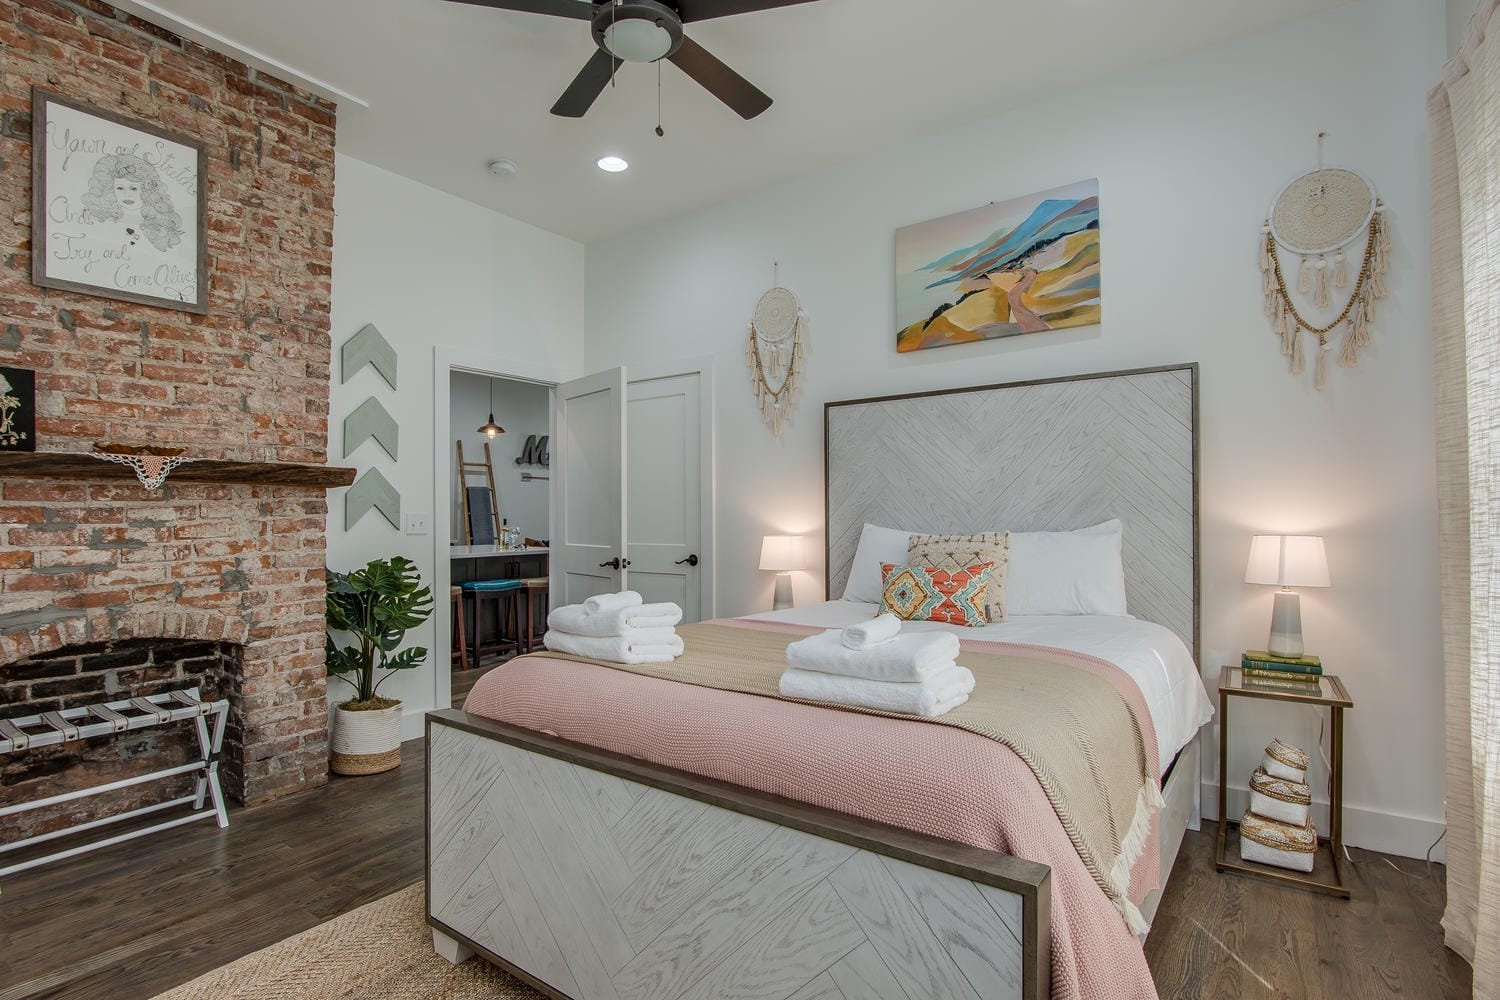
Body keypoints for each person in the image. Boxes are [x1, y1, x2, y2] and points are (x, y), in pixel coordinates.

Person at [78, 153, 184, 253]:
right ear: (111, 189)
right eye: (120, 188)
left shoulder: (159, 226)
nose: (127, 194)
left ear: (146, 190)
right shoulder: (102, 220)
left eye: (133, 188)